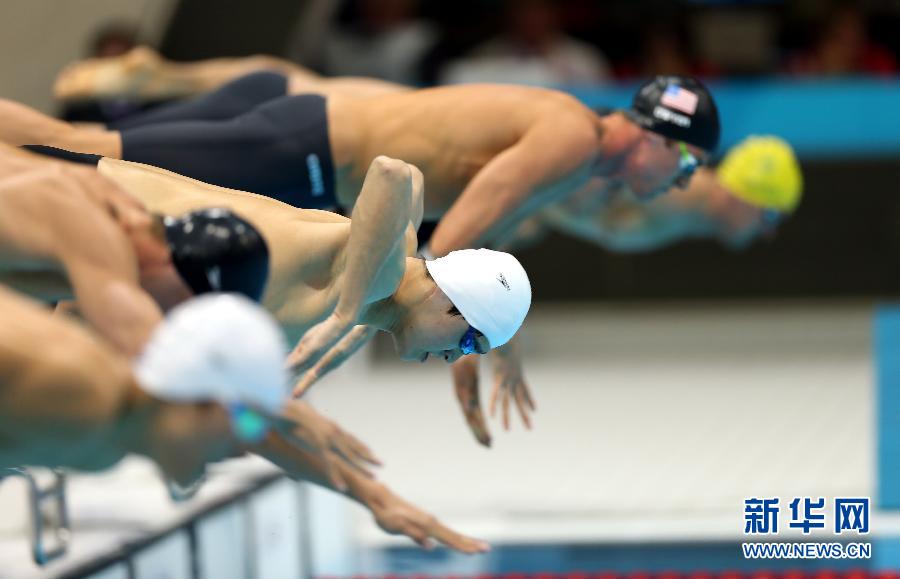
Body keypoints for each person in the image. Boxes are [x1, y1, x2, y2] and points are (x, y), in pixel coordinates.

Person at [1, 72, 718, 446]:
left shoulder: (575, 154)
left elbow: (468, 250)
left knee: (85, 162)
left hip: (314, 157)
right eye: (687, 166)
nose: (679, 184)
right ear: (659, 138)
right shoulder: (573, 140)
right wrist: (467, 339)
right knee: (78, 149)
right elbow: (456, 237)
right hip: (308, 149)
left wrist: (492, 341)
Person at [0, 286, 487, 553]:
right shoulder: (80, 395)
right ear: (207, 401)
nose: (239, 452)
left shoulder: (130, 414)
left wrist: (373, 496)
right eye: (239, 434)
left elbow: (259, 435)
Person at [0, 144, 269, 358]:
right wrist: (253, 419)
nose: (171, 323)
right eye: (183, 314)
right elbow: (155, 366)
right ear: (174, 270)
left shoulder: (115, 224)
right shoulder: (95, 227)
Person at [502, 135, 803, 252]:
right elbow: (574, 175)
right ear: (744, 196)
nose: (768, 231)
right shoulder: (677, 192)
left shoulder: (690, 210)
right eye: (771, 214)